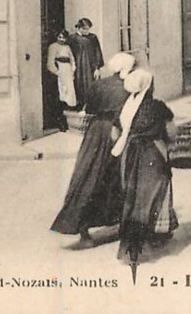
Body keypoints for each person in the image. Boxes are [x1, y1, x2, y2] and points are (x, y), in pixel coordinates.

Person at [51, 52, 136, 247]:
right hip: (119, 131)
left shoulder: (98, 85)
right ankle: (123, 221)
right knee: (120, 177)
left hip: (96, 132)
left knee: (89, 175)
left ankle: (84, 232)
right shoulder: (128, 87)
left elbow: (89, 109)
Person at [112, 69, 177, 265]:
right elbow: (171, 132)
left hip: (130, 155)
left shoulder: (125, 107)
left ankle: (133, 243)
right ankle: (151, 237)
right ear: (149, 86)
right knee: (156, 193)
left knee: (133, 197)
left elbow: (115, 135)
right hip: (152, 154)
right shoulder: (157, 107)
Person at [68, 18, 104, 112]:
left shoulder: (93, 38)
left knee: (92, 86)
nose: (86, 31)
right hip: (78, 68)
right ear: (78, 28)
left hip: (90, 67)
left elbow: (97, 53)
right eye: (84, 29)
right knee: (78, 87)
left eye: (88, 29)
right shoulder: (72, 39)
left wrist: (97, 68)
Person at [45, 29, 75, 130]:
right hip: (59, 71)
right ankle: (60, 121)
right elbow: (50, 61)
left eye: (63, 37)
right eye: (60, 37)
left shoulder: (67, 47)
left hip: (68, 71)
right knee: (61, 94)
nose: (61, 39)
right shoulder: (53, 47)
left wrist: (73, 69)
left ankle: (68, 119)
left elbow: (72, 59)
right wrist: (56, 72)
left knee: (69, 94)